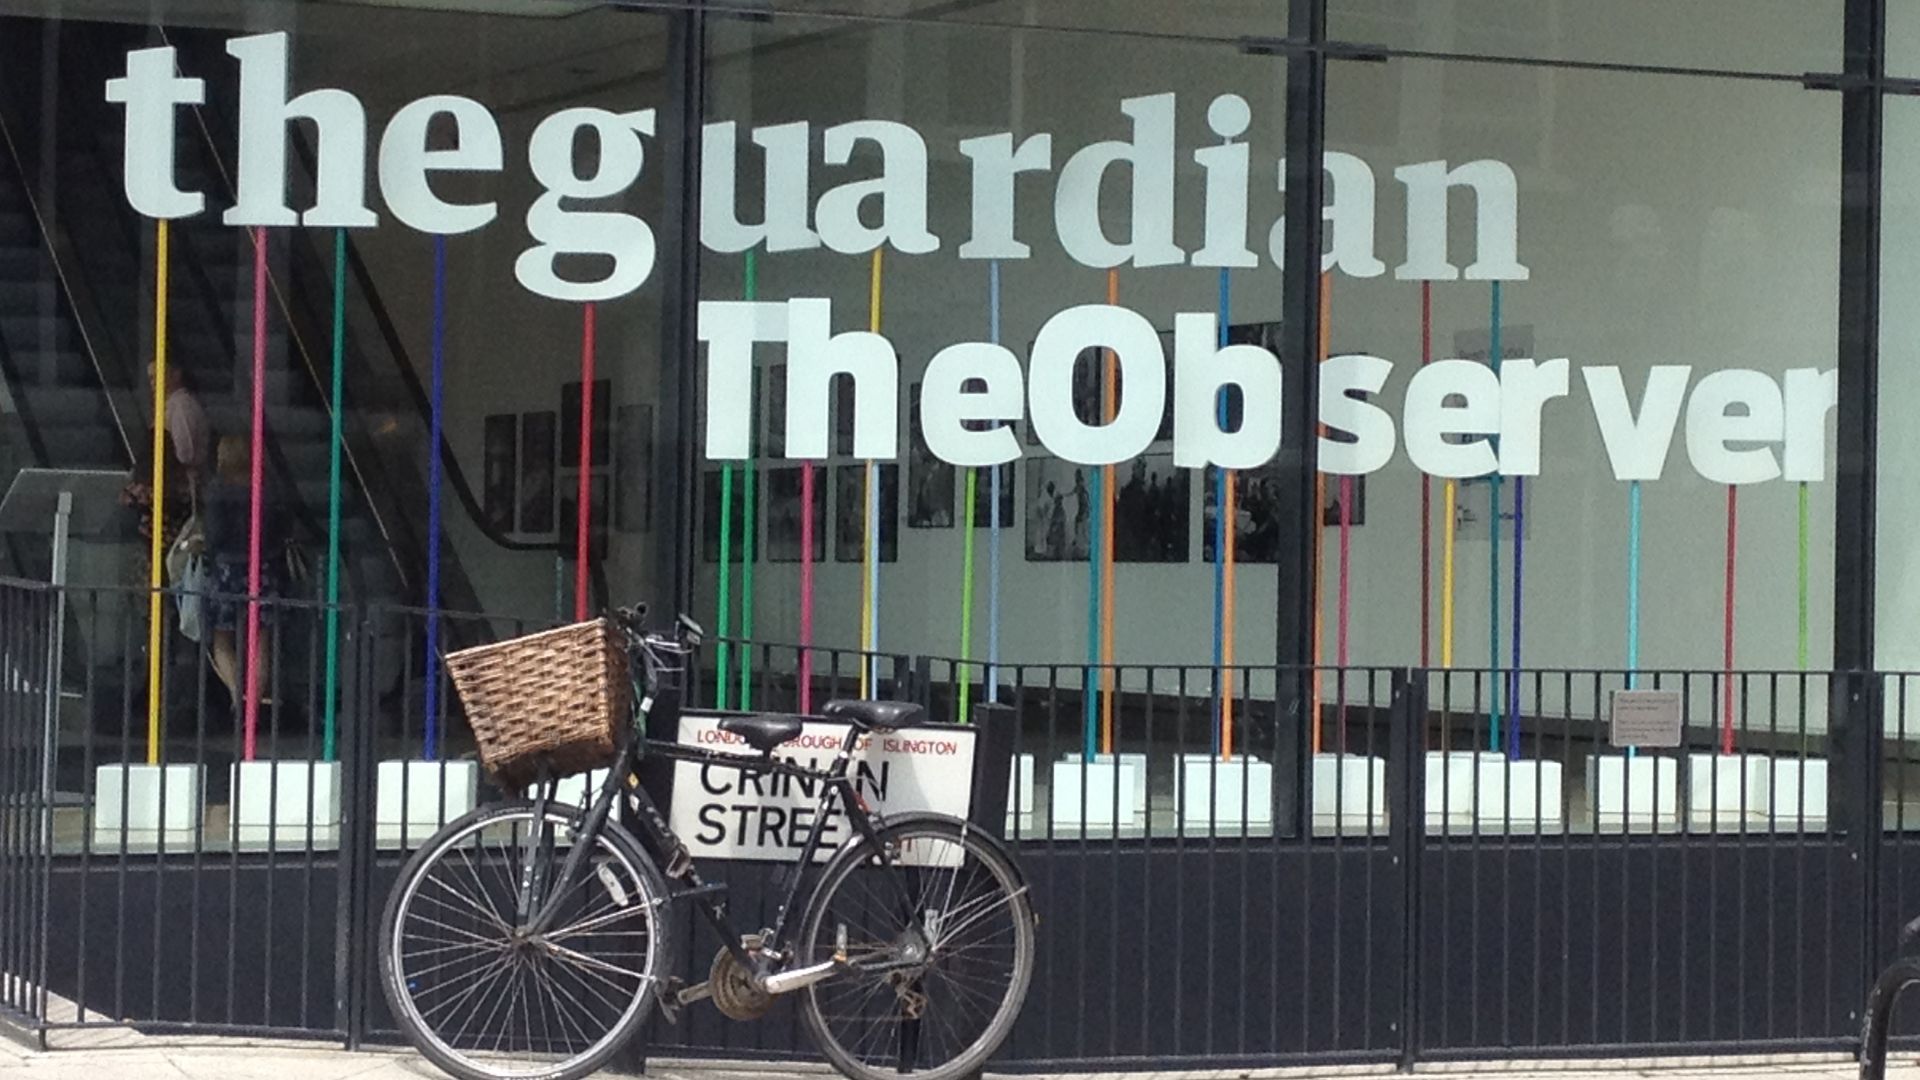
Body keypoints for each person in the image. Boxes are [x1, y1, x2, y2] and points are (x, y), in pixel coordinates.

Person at [196, 436, 283, 706]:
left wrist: (203, 547)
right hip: (262, 566)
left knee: (221, 637)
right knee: (260, 638)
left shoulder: (217, 490)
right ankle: (255, 703)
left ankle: (236, 692)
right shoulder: (267, 489)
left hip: (227, 569)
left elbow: (215, 533)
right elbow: (281, 528)